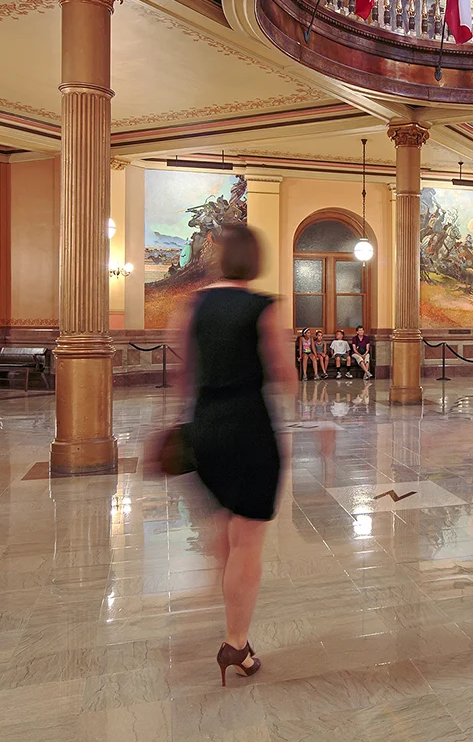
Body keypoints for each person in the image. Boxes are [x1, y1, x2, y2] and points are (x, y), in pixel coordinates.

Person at [169, 224, 293, 686]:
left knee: (223, 535)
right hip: (249, 429)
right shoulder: (262, 308)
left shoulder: (192, 306)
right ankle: (236, 642)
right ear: (254, 261)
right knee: (247, 545)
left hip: (204, 429)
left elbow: (184, 375)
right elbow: (283, 372)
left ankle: (225, 605)